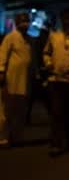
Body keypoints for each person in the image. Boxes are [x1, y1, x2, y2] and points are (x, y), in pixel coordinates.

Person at [43, 9, 69, 156]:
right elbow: (46, 53)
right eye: (64, 19)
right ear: (61, 20)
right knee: (56, 111)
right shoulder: (54, 35)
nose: (67, 22)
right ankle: (56, 143)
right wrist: (48, 63)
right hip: (55, 80)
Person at [0, 13, 32, 147]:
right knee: (6, 110)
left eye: (26, 22)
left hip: (24, 82)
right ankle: (3, 137)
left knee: (20, 111)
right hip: (10, 80)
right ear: (17, 23)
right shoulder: (10, 37)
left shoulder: (29, 39)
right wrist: (1, 71)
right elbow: (2, 55)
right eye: (22, 22)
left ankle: (16, 137)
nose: (24, 25)